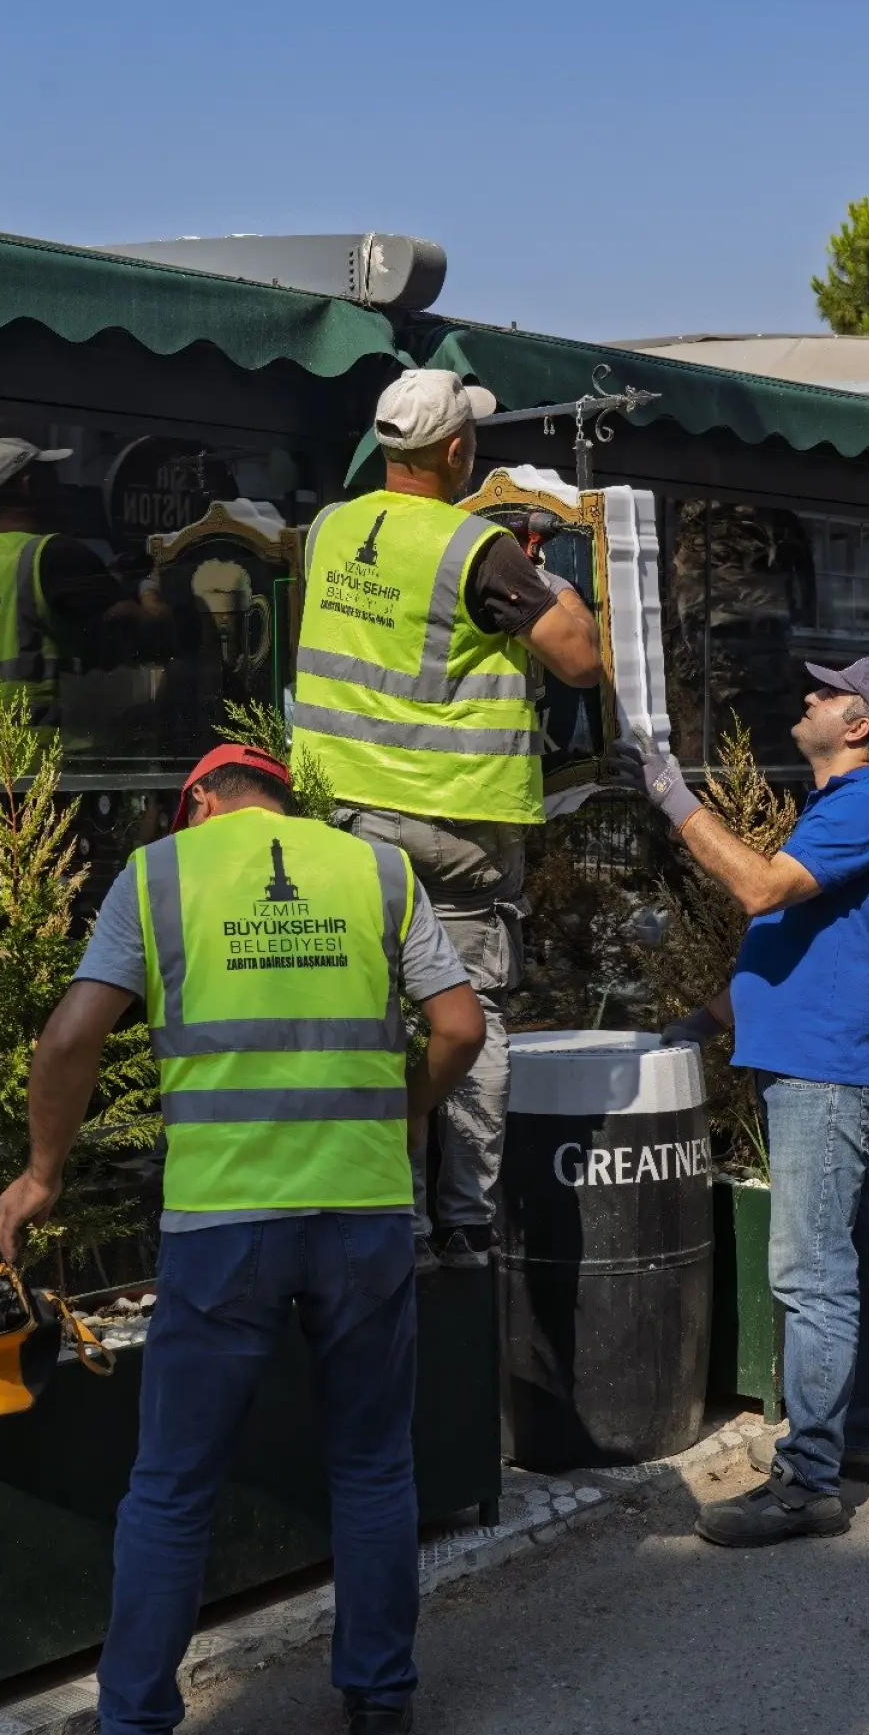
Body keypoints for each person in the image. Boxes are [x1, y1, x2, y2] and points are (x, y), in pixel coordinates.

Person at [0, 741, 486, 1735]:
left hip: (225, 1225)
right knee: (372, 1465)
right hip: (361, 1216)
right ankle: (378, 1708)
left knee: (172, 1486)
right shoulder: (377, 870)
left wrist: (40, 1174)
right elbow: (459, 1025)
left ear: (201, 800)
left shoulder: (161, 874)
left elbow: (73, 1034)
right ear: (273, 793)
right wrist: (402, 1111)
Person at [293, 369, 602, 1271]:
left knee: (374, 1014)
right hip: (457, 830)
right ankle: (466, 1221)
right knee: (471, 1014)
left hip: (344, 821)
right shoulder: (481, 552)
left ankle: (398, 1219)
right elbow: (578, 660)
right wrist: (553, 581)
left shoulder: (328, 531)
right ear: (458, 449)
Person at [615, 658, 869, 1547]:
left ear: (857, 726)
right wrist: (701, 1022)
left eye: (827, 693)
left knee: (810, 1274)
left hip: (823, 1072)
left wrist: (676, 798)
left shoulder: (863, 804)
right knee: (854, 1257)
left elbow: (757, 890)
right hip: (823, 1061)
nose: (810, 697)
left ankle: (807, 1484)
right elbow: (792, 942)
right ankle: (858, 1436)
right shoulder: (838, 811)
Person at [0, 437, 165, 735]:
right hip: (63, 757)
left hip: (7, 758)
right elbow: (150, 630)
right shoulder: (55, 554)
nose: (62, 489)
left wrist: (105, 580)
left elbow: (40, 622)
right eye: (52, 478)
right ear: (29, 486)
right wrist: (151, 585)